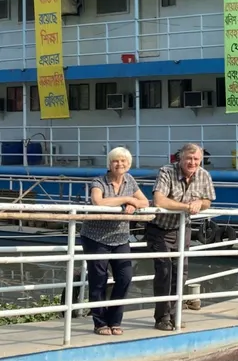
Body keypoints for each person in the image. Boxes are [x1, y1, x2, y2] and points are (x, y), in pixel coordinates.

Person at [150, 143, 216, 331]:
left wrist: (199, 203)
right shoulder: (167, 171)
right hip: (160, 228)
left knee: (181, 273)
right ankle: (162, 318)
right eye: (189, 158)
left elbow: (208, 201)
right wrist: (187, 207)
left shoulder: (203, 175)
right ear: (180, 158)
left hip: (182, 228)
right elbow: (159, 200)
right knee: (164, 272)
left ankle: (174, 314)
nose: (192, 162)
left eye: (196, 159)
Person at [84, 146, 147, 336]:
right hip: (96, 237)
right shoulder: (99, 181)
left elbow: (145, 202)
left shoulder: (130, 180)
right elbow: (98, 202)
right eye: (115, 161)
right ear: (109, 164)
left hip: (120, 237)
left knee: (125, 277)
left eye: (123, 161)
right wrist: (127, 199)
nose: (119, 164)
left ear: (129, 164)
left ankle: (115, 320)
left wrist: (133, 203)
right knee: (98, 280)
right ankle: (100, 323)